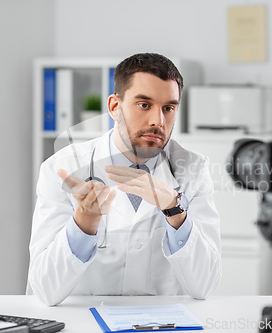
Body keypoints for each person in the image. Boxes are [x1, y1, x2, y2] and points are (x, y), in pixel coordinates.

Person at [27, 53, 221, 306]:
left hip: (161, 324)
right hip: (85, 323)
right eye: (144, 104)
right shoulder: (63, 168)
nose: (157, 121)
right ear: (114, 107)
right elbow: (44, 288)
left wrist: (175, 209)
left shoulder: (193, 169)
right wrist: (85, 220)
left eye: (168, 108)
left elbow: (204, 285)